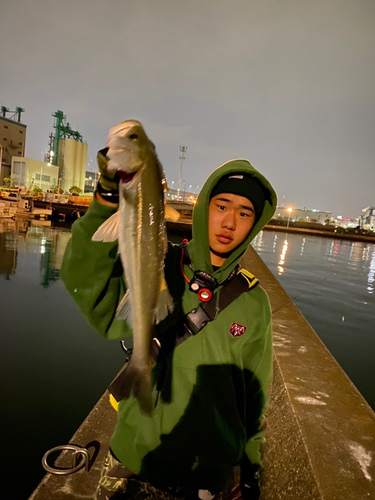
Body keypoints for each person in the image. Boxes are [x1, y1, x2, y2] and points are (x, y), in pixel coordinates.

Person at [61, 128, 277, 500]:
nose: (229, 222)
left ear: (255, 223)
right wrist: (107, 198)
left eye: (244, 213)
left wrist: (250, 466)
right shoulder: (162, 265)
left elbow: (255, 396)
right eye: (221, 205)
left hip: (209, 479)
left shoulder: (255, 302)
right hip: (134, 462)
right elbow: (85, 281)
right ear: (204, 206)